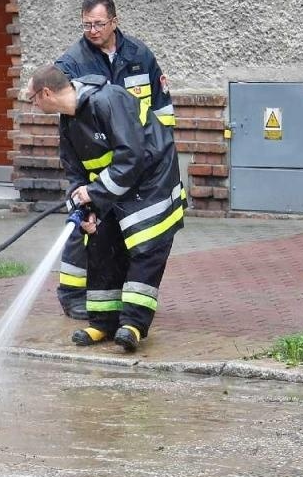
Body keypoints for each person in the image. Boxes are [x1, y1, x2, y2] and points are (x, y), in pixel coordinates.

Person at [23, 63, 185, 352]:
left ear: (45, 93)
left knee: (146, 247)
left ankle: (133, 325)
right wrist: (85, 207)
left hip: (151, 185)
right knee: (101, 243)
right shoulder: (68, 119)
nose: (32, 105)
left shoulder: (108, 100)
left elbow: (131, 155)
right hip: (115, 188)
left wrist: (95, 193)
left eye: (31, 98)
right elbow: (74, 169)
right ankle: (103, 323)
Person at [50, 0, 176, 320]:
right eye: (87, 24)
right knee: (86, 224)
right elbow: (66, 115)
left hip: (137, 161)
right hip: (98, 160)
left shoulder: (139, 56)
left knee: (127, 231)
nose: (92, 30)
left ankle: (115, 295)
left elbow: (161, 106)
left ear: (114, 22)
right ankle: (72, 292)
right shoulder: (71, 63)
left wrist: (160, 152)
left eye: (98, 24)